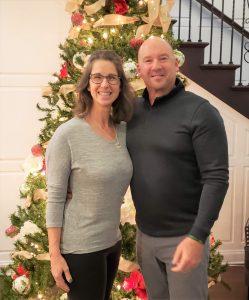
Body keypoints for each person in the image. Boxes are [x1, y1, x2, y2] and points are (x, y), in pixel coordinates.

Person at [126, 37, 229, 300]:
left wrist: (197, 236)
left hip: (184, 238)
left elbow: (216, 178)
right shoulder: (131, 112)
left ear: (176, 63)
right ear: (139, 69)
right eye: (148, 60)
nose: (156, 66)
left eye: (163, 58)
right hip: (144, 237)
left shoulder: (201, 112)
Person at [46, 50, 135, 300]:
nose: (104, 84)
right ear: (87, 84)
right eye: (97, 77)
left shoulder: (123, 131)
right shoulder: (68, 135)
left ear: (120, 84)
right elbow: (54, 198)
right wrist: (55, 256)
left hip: (112, 242)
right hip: (81, 248)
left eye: (112, 78)